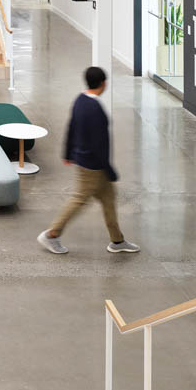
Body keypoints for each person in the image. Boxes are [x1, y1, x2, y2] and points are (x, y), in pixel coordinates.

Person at [38, 66, 139, 255]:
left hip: (84, 160)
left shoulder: (80, 100)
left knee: (109, 200)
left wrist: (67, 154)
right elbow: (99, 144)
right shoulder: (95, 109)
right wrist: (109, 170)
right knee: (79, 199)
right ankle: (52, 234)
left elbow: (71, 127)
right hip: (93, 166)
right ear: (103, 84)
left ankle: (117, 241)